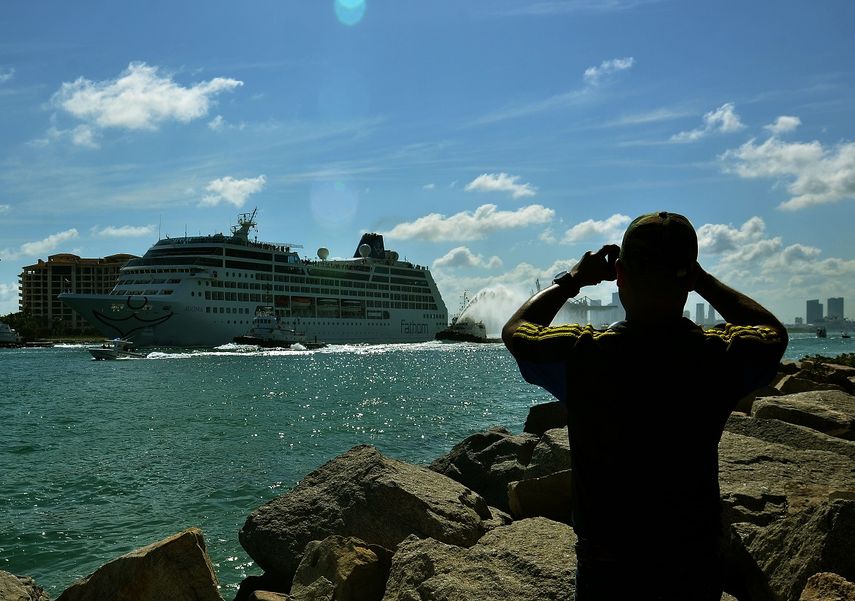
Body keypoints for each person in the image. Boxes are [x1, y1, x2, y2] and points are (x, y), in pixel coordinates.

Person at [502, 211, 787, 600]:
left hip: (609, 567)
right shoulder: (719, 356)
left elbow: (517, 331)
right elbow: (773, 333)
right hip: (693, 561)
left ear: (619, 274)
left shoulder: (583, 354)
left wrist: (573, 280)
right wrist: (700, 279)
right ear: (687, 278)